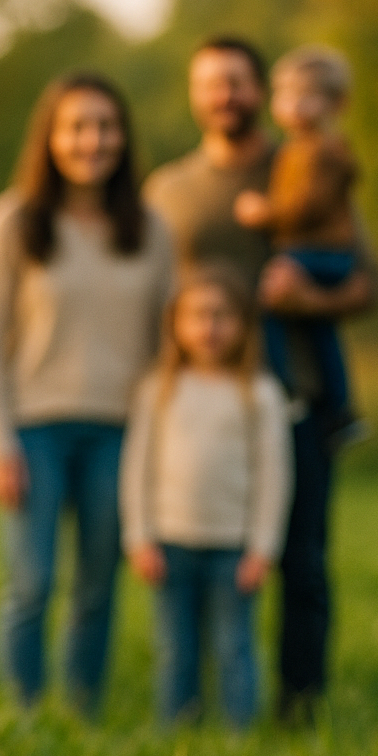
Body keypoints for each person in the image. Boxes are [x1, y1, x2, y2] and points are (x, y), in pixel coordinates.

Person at [144, 36, 378, 726]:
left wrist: (310, 299)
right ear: (194, 94)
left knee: (301, 562)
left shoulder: (303, 164)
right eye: (210, 83)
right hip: (199, 411)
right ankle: (195, 705)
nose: (225, 95)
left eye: (238, 82)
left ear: (261, 92)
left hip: (296, 397)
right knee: (201, 561)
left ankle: (299, 707)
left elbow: (366, 281)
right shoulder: (168, 191)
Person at [0, 73, 174, 715]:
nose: (93, 141)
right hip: (33, 429)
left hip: (122, 432)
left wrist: (163, 442)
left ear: (123, 138)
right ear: (50, 138)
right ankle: (22, 713)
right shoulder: (11, 222)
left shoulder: (151, 230)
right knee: (31, 583)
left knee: (99, 584)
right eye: (77, 127)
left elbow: (167, 348)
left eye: (106, 127)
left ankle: (84, 711)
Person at [120, 267, 292, 728]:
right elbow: (136, 469)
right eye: (196, 316)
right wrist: (139, 537)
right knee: (176, 647)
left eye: (222, 316)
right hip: (170, 542)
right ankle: (177, 729)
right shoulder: (157, 389)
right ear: (175, 325)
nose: (209, 327)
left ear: (244, 324)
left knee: (234, 645)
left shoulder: (261, 394)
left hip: (233, 547)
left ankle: (239, 734)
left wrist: (263, 547)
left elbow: (275, 476)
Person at [234, 44, 367, 449]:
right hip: (322, 252)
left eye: (307, 97)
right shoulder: (302, 148)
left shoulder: (320, 151)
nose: (294, 107)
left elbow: (307, 207)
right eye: (286, 96)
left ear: (336, 104)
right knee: (323, 333)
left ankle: (287, 387)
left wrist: (264, 213)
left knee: (269, 303)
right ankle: (341, 410)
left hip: (317, 252)